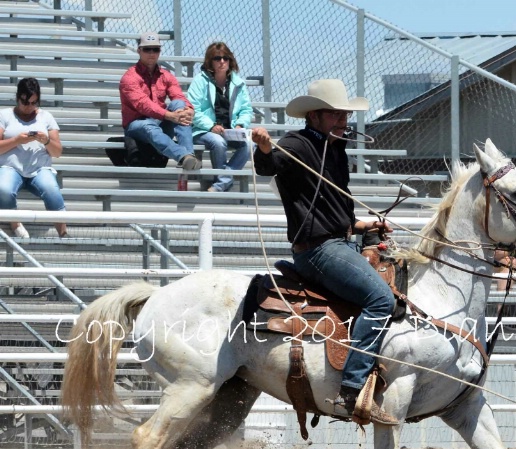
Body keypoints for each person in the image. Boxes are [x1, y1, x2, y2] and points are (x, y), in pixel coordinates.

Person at [251, 79, 398, 426]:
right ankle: (351, 388)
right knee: (381, 301)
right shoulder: (298, 144)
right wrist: (263, 149)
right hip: (319, 249)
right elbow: (269, 166)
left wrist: (361, 225)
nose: (344, 119)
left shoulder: (335, 148)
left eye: (346, 113)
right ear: (314, 115)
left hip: (339, 241)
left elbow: (334, 205)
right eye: (336, 113)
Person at [119, 32, 200, 172]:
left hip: (159, 122)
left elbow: (179, 96)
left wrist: (189, 110)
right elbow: (143, 105)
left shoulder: (166, 76)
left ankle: (189, 155)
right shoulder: (129, 78)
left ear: (160, 51)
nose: (151, 53)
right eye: (147, 49)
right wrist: (170, 115)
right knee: (147, 125)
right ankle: (183, 156)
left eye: (155, 49)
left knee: (179, 105)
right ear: (139, 50)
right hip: (136, 126)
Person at [0, 78, 66, 238]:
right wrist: (17, 140)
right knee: (4, 189)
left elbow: (57, 152)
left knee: (52, 190)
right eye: (25, 102)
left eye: (34, 103)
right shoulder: (4, 115)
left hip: (39, 169)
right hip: (11, 167)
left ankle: (63, 232)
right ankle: (14, 222)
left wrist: (46, 141)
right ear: (17, 98)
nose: (29, 107)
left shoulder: (46, 117)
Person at [186, 42, 252, 192]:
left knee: (250, 144)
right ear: (210, 61)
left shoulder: (238, 83)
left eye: (225, 58)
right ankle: (223, 183)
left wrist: (240, 124)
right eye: (217, 58)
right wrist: (211, 126)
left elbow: (246, 109)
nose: (222, 62)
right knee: (219, 142)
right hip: (202, 130)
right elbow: (192, 108)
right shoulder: (199, 81)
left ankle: (221, 183)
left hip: (230, 129)